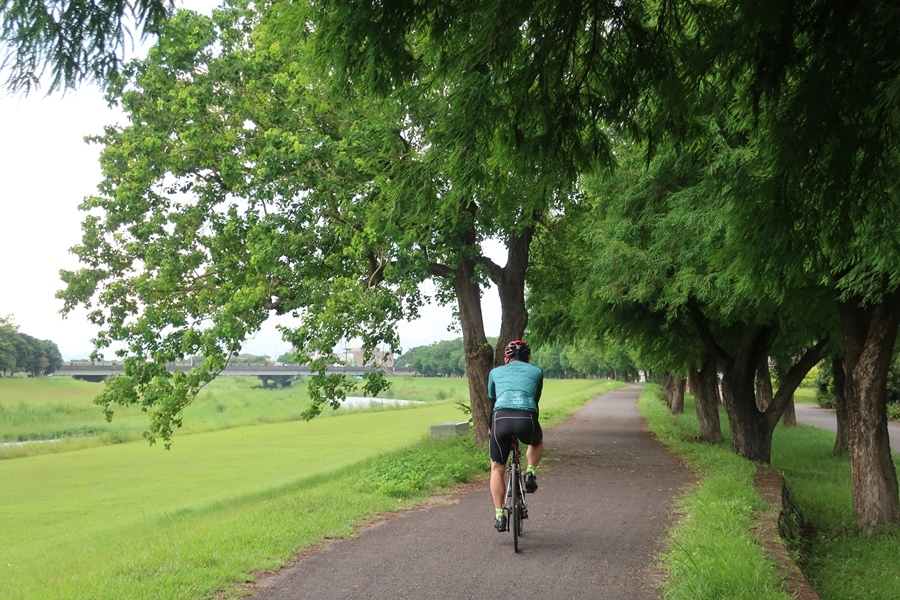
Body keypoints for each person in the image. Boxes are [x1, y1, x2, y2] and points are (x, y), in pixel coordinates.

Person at [487, 339, 544, 532]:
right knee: (536, 442)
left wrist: (490, 428)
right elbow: (535, 401)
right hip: (526, 417)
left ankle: (499, 516)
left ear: (506, 358)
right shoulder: (536, 372)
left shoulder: (495, 372)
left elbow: (492, 401)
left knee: (497, 468)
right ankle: (530, 472)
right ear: (528, 358)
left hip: (500, 419)